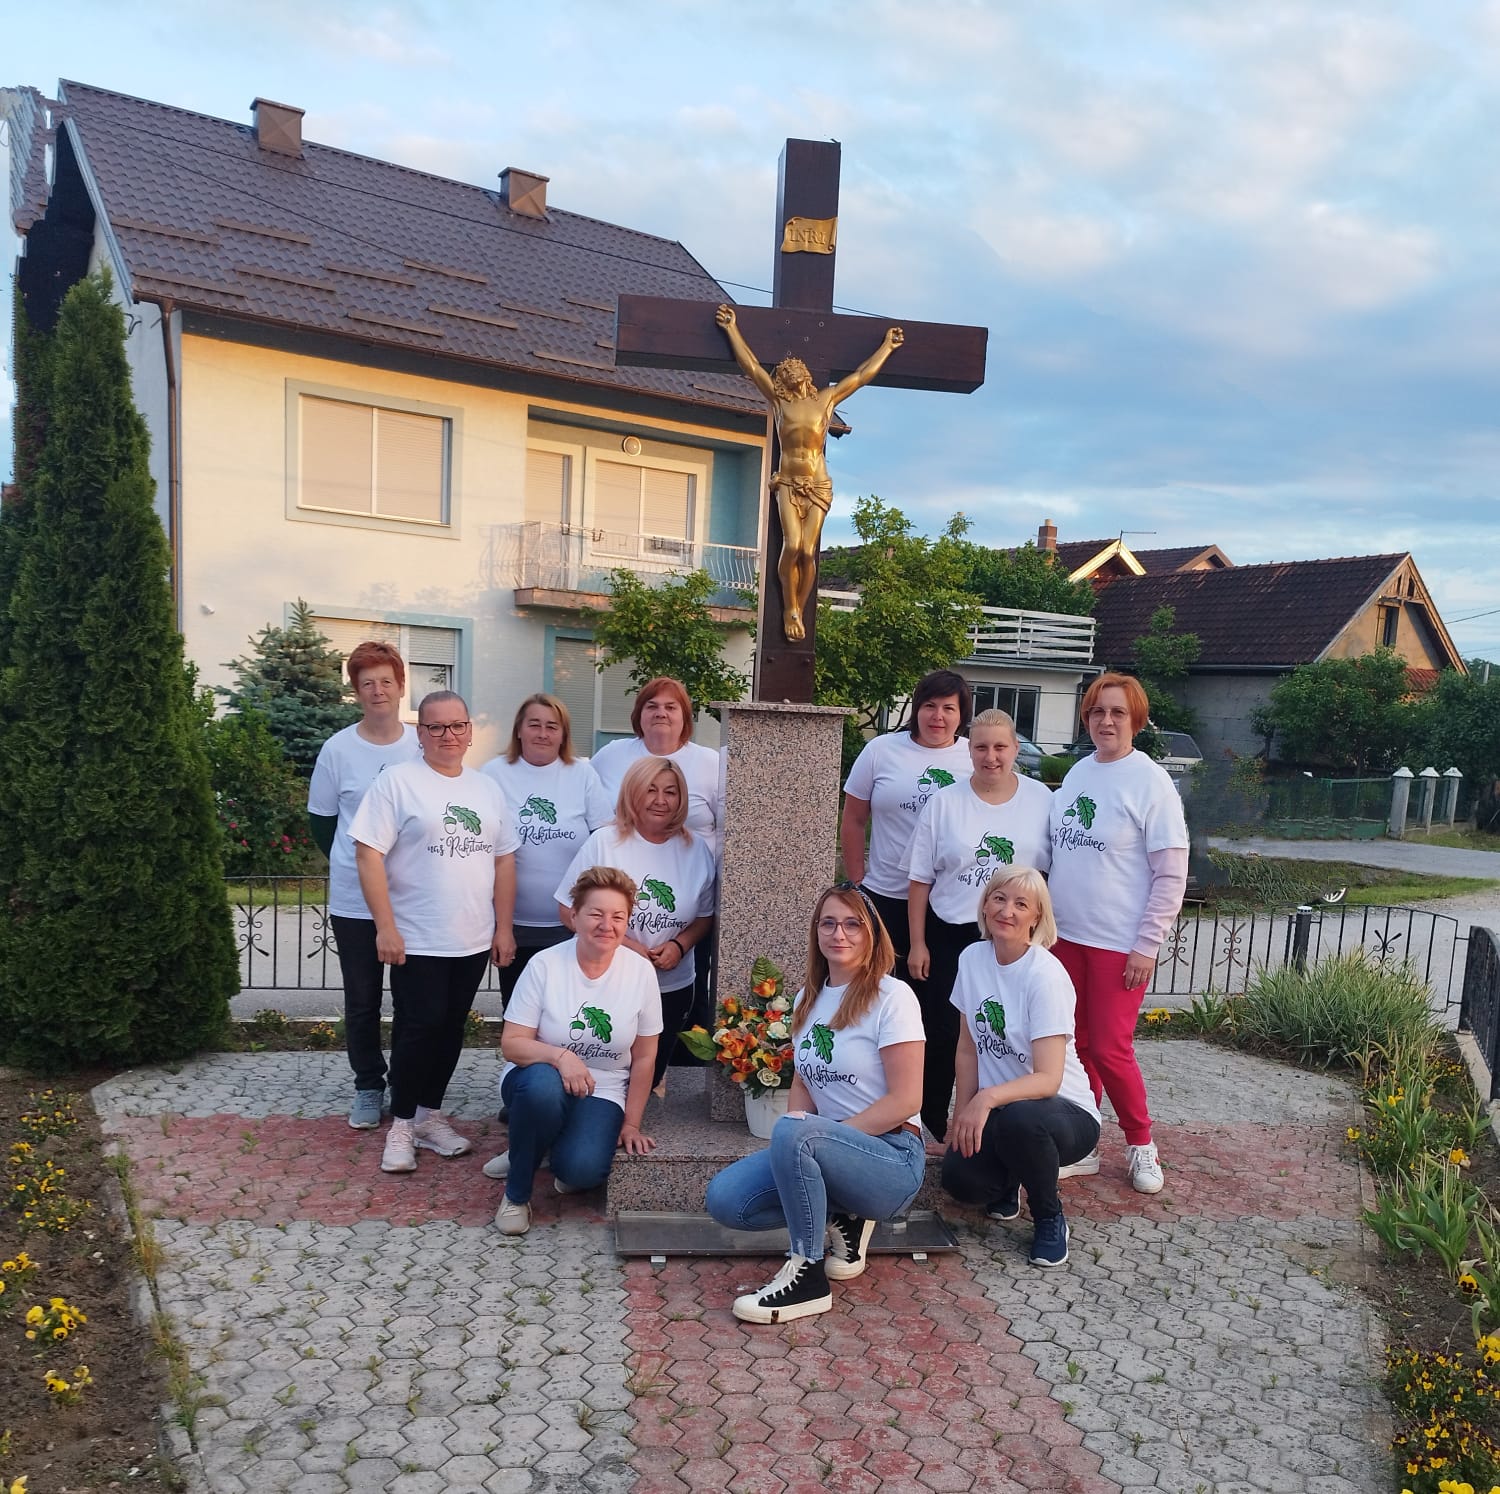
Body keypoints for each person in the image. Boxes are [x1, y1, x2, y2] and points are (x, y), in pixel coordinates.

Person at [704, 884, 925, 1324]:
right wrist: (799, 1146)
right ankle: (846, 1219)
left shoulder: (892, 997)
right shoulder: (808, 998)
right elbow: (804, 1080)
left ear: (872, 933)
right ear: (816, 931)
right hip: (825, 1149)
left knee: (795, 1131)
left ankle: (807, 1275)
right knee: (726, 1199)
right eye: (828, 923)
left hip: (892, 1157)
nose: (838, 934)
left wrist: (815, 1139)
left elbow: (907, 1099)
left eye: (852, 924)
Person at [350, 691, 518, 1174]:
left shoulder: (486, 789)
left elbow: (504, 861)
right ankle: (402, 1125)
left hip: (471, 938)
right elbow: (368, 855)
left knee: (450, 1029)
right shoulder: (397, 783)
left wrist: (503, 928)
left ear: (469, 732)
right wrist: (385, 926)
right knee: (417, 1029)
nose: (448, 735)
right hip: (417, 937)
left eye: (457, 726)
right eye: (436, 727)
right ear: (420, 733)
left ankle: (429, 1116)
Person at [1047, 673, 1188, 1195]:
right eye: (1097, 712)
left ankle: (1141, 1143)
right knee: (1075, 1044)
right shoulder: (1079, 773)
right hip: (1065, 938)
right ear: (1086, 718)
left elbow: (1171, 874)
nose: (1106, 721)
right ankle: (1082, 1144)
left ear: (1137, 721)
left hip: (1118, 945)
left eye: (1118, 713)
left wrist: (1147, 945)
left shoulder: (1151, 782)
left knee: (1110, 1048)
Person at [906, 708, 1054, 1143]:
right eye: (981, 747)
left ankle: (1000, 1126)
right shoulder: (945, 802)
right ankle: (932, 1124)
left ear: (1016, 749)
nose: (991, 756)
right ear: (968, 750)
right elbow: (920, 879)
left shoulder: (1042, 799)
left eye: (1001, 747)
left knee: (1005, 1033)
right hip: (951, 931)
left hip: (1015, 934)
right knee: (943, 1032)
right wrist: (918, 943)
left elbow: (1052, 873)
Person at [940, 868, 1101, 1269]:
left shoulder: (1045, 975)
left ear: (1036, 916)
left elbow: (1048, 1079)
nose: (1006, 910)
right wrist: (962, 1113)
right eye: (999, 898)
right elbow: (967, 1049)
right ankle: (1008, 1181)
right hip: (1003, 1111)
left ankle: (1049, 1217)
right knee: (961, 1181)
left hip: (1064, 1113)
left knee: (1022, 1120)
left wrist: (985, 1099)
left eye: (1020, 904)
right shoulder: (972, 958)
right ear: (985, 905)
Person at [716, 303, 904, 641]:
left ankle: (799, 609)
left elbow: (862, 376)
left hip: (818, 483)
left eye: (795, 367)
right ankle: (789, 606)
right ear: (782, 379)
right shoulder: (779, 402)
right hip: (788, 482)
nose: (792, 371)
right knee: (792, 545)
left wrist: (887, 348)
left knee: (807, 551)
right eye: (786, 370)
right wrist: (732, 329)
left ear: (804, 374)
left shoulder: (826, 400)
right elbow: (751, 366)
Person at [491, 867, 661, 1235]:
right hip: (539, 1075)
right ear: (574, 916)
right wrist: (561, 1057)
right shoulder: (545, 965)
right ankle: (516, 1194)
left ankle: (533, 1143)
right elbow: (512, 1043)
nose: (607, 925)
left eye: (618, 917)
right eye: (596, 914)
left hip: (604, 1086)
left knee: (581, 1170)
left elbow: (645, 1056)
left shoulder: (640, 972)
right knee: (541, 1090)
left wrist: (631, 1123)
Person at [306, 640, 421, 1129]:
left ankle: (409, 1087)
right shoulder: (338, 749)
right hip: (355, 901)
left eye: (386, 682)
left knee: (413, 1001)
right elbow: (322, 822)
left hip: (413, 898)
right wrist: (359, 861)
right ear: (356, 691)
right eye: (367, 683)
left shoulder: (420, 744)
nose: (378, 691)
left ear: (401, 686)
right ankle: (368, 1086)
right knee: (362, 1000)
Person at [555, 756, 717, 1089]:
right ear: (633, 792)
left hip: (669, 986)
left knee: (648, 1075)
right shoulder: (604, 842)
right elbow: (566, 910)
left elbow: (704, 918)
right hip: (604, 979)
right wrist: (625, 946)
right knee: (597, 1074)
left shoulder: (696, 850)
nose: (660, 800)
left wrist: (679, 945)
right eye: (650, 790)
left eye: (670, 792)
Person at [841, 669, 974, 980]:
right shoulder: (881, 750)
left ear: (961, 715)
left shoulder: (972, 757)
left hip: (946, 902)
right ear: (916, 709)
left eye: (948, 708)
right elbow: (853, 819)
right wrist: (858, 881)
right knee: (879, 988)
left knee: (939, 995)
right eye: (929, 706)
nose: (937, 716)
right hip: (885, 895)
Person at [480, 693, 613, 1002]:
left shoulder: (582, 774)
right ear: (519, 730)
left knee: (567, 1009)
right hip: (513, 925)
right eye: (534, 724)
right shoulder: (493, 773)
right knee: (519, 1009)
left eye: (552, 726)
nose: (542, 733)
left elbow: (605, 840)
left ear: (563, 734)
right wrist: (501, 928)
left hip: (571, 925)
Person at [588, 677, 721, 852]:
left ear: (685, 716)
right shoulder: (610, 755)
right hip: (620, 865)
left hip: (693, 866)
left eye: (670, 707)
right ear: (639, 715)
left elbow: (732, 828)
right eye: (652, 706)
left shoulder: (711, 763)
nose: (661, 713)